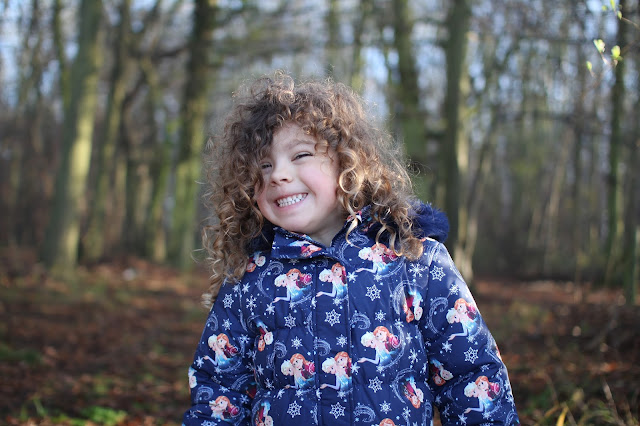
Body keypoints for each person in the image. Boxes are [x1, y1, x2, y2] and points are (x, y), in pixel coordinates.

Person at [183, 72, 519, 425]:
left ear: (348, 162)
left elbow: (471, 374)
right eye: (264, 165)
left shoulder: (416, 260)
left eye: (300, 155)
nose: (277, 174)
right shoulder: (249, 279)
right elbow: (219, 390)